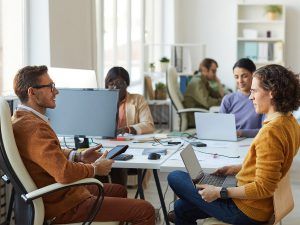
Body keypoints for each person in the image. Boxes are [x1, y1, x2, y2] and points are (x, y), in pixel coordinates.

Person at [12, 65, 155, 225]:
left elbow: (50, 155)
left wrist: (78, 155)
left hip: (62, 193)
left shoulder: (23, 119)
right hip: (63, 205)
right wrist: (95, 168)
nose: (56, 91)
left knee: (118, 190)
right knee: (145, 210)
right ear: (32, 92)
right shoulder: (34, 128)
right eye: (50, 86)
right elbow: (64, 173)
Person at [168, 64, 300, 225]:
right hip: (256, 203)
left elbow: (264, 187)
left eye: (254, 91)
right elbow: (272, 167)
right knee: (181, 207)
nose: (250, 97)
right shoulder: (290, 122)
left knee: (174, 176)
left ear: (271, 93)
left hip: (247, 210)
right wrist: (236, 168)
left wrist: (220, 192)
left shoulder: (271, 132)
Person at [220, 58, 264, 138]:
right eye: (236, 77)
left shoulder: (262, 99)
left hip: (253, 142)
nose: (240, 80)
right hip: (230, 143)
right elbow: (221, 128)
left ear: (253, 75)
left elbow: (264, 131)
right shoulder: (228, 99)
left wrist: (240, 133)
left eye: (244, 76)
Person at [105, 66, 154, 135]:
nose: (115, 87)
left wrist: (128, 129)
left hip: (131, 142)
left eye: (119, 83)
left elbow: (149, 125)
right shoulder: (101, 102)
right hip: (105, 142)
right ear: (107, 86)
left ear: (126, 84)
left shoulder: (138, 99)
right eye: (111, 84)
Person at [183, 58, 224, 128]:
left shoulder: (203, 81)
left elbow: (218, 95)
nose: (215, 74)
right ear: (205, 69)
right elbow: (207, 102)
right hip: (195, 119)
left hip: (202, 115)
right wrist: (224, 102)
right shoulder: (197, 82)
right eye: (213, 71)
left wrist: (218, 82)